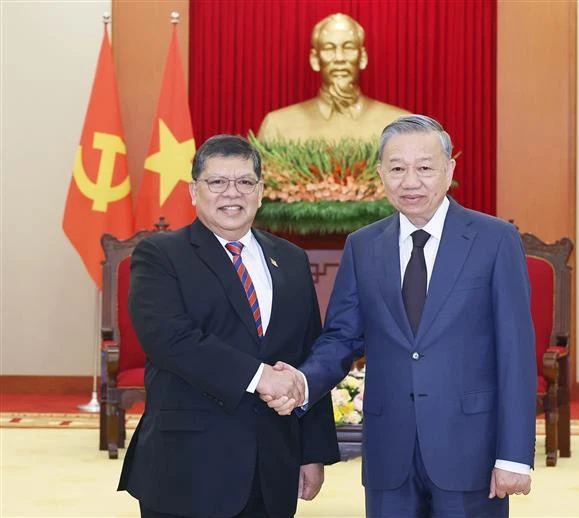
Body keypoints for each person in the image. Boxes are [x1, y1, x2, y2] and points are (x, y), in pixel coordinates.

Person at [265, 115, 537, 517]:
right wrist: (302, 381)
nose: (410, 181)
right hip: (389, 452)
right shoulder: (363, 245)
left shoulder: (494, 240)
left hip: (470, 449)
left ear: (449, 171)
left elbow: (515, 352)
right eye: (397, 168)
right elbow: (342, 336)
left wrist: (514, 456)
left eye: (424, 168)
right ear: (381, 174)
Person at [118, 135, 340, 518]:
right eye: (217, 182)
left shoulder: (290, 259)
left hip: (272, 466)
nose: (231, 193)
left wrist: (313, 453)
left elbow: (308, 351)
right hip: (188, 467)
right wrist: (259, 377)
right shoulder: (160, 255)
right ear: (194, 191)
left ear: (260, 191)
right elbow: (169, 339)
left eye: (244, 182)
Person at [257, 13, 409, 142]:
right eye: (329, 48)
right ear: (315, 59)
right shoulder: (278, 126)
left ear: (362, 57)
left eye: (348, 47)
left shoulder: (399, 125)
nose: (339, 58)